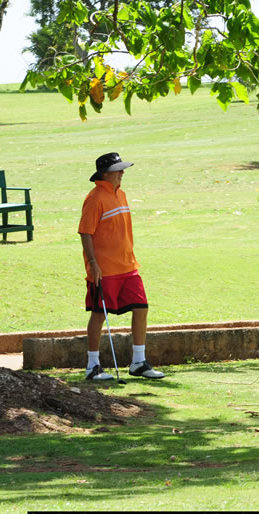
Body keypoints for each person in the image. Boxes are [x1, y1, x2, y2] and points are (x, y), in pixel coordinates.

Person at [78, 152, 165, 381]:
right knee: (99, 315)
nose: (122, 173)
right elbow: (85, 233)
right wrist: (93, 264)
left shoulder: (121, 194)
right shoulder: (95, 198)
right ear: (105, 174)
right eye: (118, 170)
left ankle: (138, 362)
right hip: (104, 269)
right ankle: (93, 366)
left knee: (141, 308)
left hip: (128, 266)